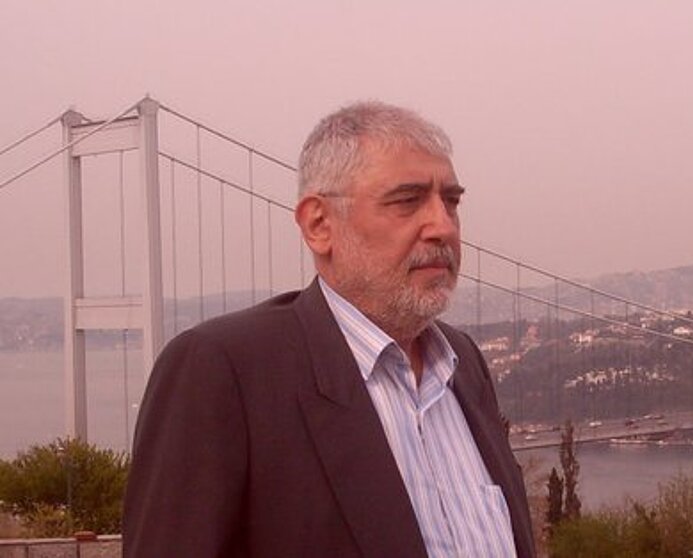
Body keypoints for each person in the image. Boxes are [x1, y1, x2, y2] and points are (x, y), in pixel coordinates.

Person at [123, 102, 536, 557]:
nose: (443, 226)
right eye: (407, 201)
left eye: (451, 202)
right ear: (319, 225)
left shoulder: (463, 363)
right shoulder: (223, 370)